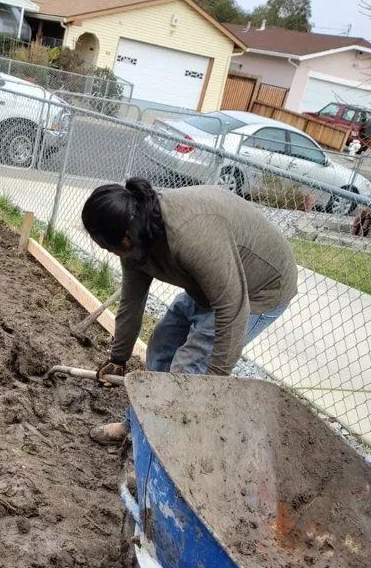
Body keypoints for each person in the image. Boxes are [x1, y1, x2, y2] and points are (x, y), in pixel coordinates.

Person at [81, 177, 299, 444]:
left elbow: (232, 310)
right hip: (210, 284)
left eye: (107, 247)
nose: (110, 253)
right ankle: (136, 427)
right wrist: (118, 357)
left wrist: (212, 384)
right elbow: (132, 302)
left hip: (258, 290)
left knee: (188, 368)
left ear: (125, 237)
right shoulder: (134, 239)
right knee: (161, 346)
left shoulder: (190, 235)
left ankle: (165, 447)